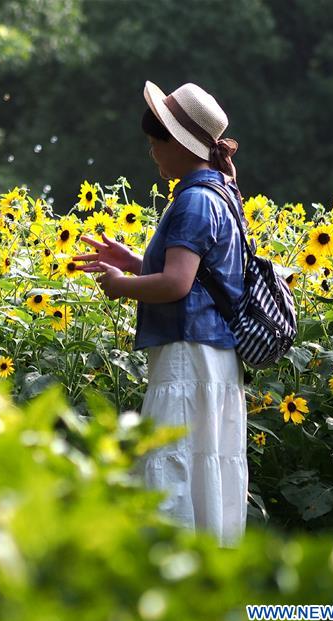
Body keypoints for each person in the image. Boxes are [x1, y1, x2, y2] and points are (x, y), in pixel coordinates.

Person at [74, 81, 248, 547]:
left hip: (187, 357)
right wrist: (135, 261)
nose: (153, 154)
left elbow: (177, 284)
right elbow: (196, 271)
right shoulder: (221, 194)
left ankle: (172, 578)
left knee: (172, 467)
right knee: (206, 470)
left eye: (157, 144)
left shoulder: (193, 200)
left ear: (181, 145)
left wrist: (121, 286)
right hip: (214, 357)